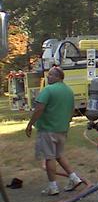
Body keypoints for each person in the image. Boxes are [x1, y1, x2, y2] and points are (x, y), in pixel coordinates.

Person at [25, 66, 84, 195]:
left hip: (47, 129)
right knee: (59, 155)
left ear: (58, 77)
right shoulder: (68, 91)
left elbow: (39, 108)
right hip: (62, 129)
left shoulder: (48, 90)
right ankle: (74, 178)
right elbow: (71, 110)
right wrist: (66, 124)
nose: (48, 77)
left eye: (51, 75)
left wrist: (30, 125)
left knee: (49, 157)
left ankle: (53, 187)